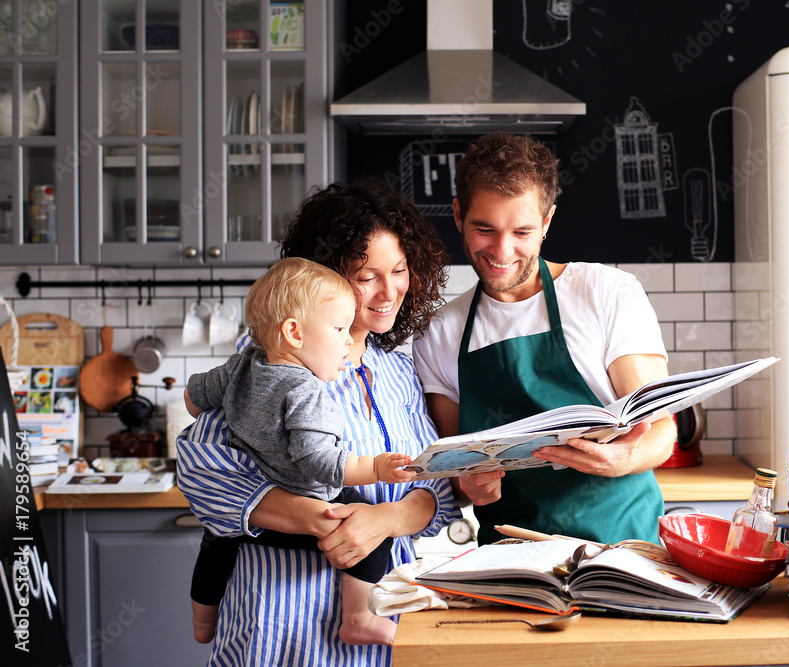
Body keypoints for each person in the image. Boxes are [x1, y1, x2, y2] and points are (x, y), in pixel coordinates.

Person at [175, 179, 460, 666]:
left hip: (383, 626)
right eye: (366, 276)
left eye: (399, 270)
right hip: (280, 625)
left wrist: (383, 520)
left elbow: (438, 490)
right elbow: (201, 468)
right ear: (323, 275)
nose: (388, 291)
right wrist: (322, 520)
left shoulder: (398, 368)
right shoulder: (271, 362)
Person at [413, 132, 678, 546]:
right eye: (485, 228)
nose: (502, 251)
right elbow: (453, 470)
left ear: (547, 223)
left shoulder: (606, 292)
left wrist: (622, 459)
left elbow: (661, 429)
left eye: (522, 232)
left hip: (624, 548)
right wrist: (470, 486)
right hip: (510, 564)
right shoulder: (440, 332)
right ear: (458, 214)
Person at [184, 257, 415, 647]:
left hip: (252, 514)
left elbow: (195, 397)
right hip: (311, 506)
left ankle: (202, 621)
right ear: (294, 332)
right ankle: (358, 617)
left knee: (216, 543)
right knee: (377, 537)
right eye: (340, 328)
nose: (347, 338)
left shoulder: (242, 366)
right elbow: (322, 464)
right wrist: (376, 467)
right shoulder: (308, 393)